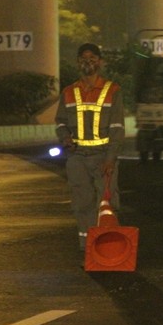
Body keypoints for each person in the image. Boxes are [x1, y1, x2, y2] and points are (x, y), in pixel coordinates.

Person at [55, 43, 125, 251]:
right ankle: (87, 248)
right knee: (81, 203)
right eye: (84, 58)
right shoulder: (68, 92)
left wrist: (111, 159)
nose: (88, 62)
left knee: (107, 203)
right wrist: (65, 137)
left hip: (103, 156)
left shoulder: (113, 91)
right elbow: (60, 122)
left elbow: (117, 128)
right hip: (77, 157)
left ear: (100, 62)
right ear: (78, 62)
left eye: (92, 58)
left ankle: (107, 247)